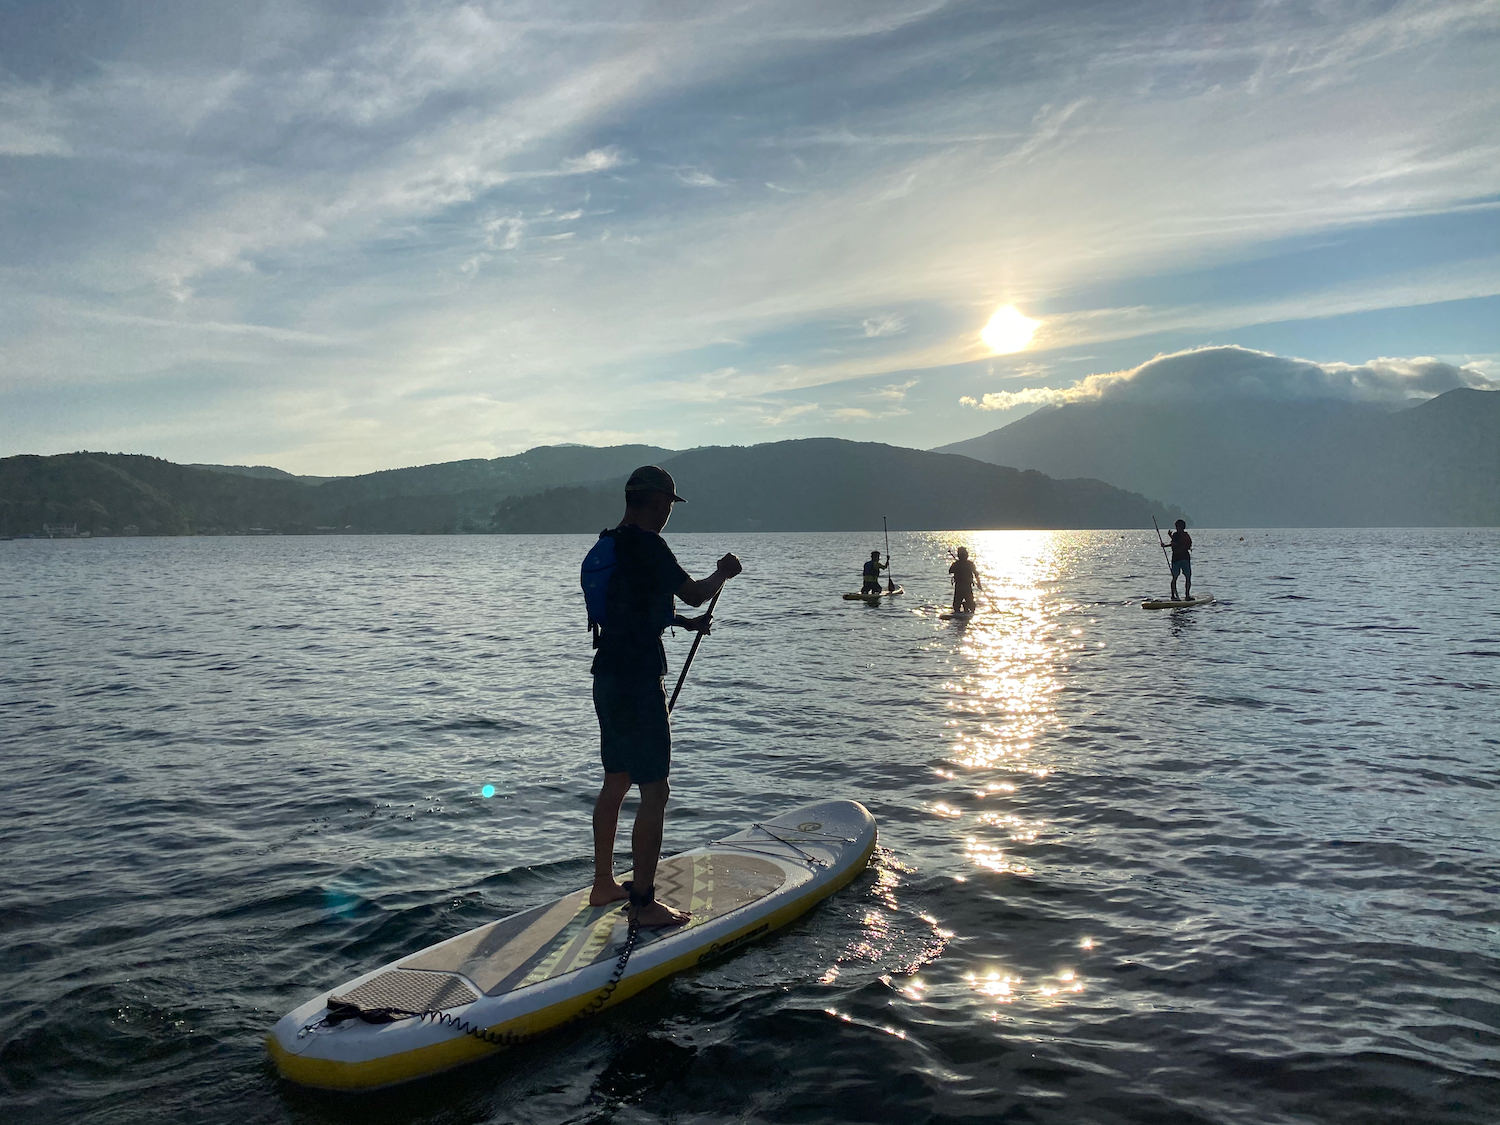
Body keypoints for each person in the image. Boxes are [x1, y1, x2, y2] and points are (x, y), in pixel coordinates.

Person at [586, 465, 742, 927]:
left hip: (608, 674)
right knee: (655, 790)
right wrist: (721, 574)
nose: (667, 514)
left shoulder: (610, 542)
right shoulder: (649, 544)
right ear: (657, 503)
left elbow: (633, 607)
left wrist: (680, 625)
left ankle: (602, 884)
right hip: (639, 680)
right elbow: (694, 594)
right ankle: (643, 905)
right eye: (668, 506)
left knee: (616, 781)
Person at [948, 547, 981, 612]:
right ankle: (965, 606)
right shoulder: (958, 564)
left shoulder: (968, 564)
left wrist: (979, 584)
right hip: (960, 586)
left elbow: (976, 574)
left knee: (971, 606)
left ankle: (966, 606)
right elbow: (950, 571)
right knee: (956, 605)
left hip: (966, 586)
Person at [1168, 518, 1193, 601]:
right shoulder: (1176, 535)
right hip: (1177, 559)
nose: (1177, 528)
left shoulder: (1185, 536)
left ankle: (1187, 595)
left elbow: (1177, 544)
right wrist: (1166, 544)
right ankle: (1173, 596)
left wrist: (1170, 540)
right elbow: (1174, 543)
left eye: (1178, 526)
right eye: (1177, 526)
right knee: (1175, 577)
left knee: (1187, 577)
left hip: (1184, 558)